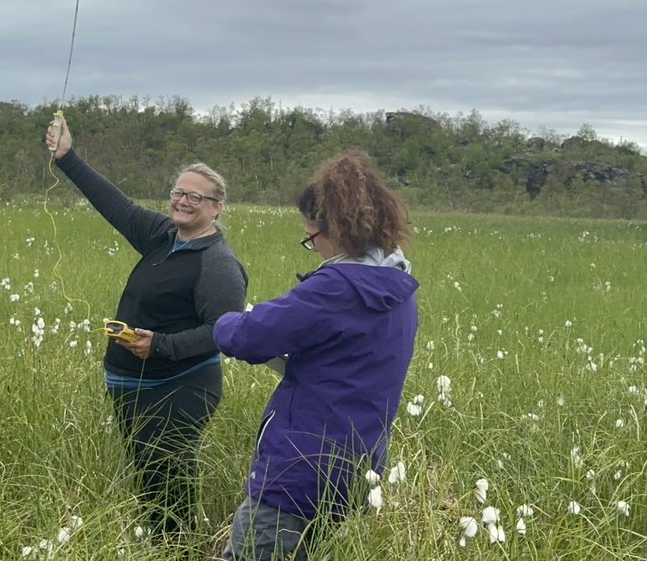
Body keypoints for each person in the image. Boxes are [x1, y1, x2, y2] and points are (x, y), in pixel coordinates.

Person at [44, 117, 248, 539]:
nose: (184, 201)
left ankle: (176, 550)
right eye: (179, 192)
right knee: (150, 483)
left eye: (197, 196)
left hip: (179, 387)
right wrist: (66, 158)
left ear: (216, 207)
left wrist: (161, 346)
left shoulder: (218, 264)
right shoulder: (162, 234)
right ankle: (164, 547)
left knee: (169, 490)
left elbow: (225, 332)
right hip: (133, 386)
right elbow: (114, 203)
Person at [213, 150, 419, 561]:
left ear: (335, 230)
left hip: (297, 472)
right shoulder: (399, 288)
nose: (316, 249)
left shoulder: (337, 287)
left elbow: (247, 336)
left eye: (312, 238)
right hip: (359, 468)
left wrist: (223, 321)